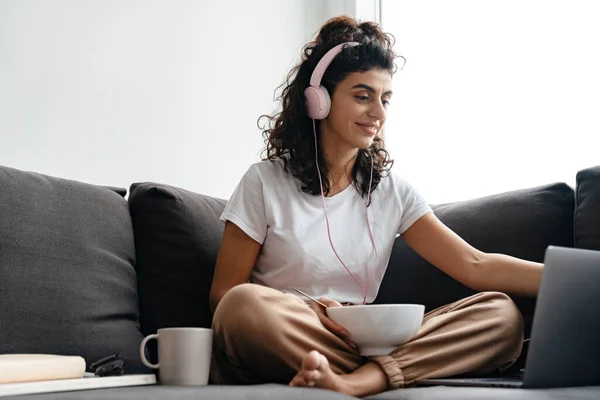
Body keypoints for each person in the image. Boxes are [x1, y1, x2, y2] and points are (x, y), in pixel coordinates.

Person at [208, 16, 543, 397]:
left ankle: (356, 382)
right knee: (242, 305)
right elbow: (223, 295)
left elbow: (474, 265)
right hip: (299, 334)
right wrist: (306, 309)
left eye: (385, 100)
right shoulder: (264, 181)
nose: (379, 114)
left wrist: (569, 278)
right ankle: (367, 374)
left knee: (500, 314)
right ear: (318, 100)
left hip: (370, 346)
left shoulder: (392, 192)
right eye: (363, 96)